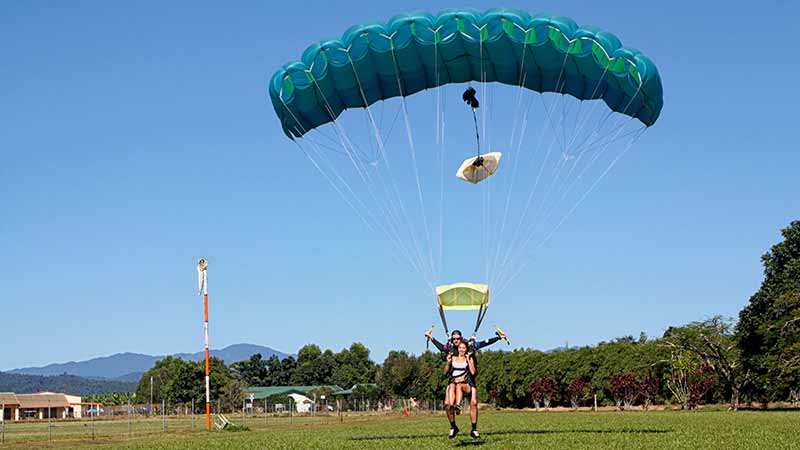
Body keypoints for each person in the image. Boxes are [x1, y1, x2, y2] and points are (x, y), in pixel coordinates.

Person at [425, 328, 507, 438]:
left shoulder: (469, 346)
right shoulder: (450, 348)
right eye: (454, 339)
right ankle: (453, 427)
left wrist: (498, 338)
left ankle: (474, 429)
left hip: (468, 379)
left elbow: (484, 343)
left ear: (461, 338)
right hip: (453, 380)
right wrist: (431, 338)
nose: (456, 341)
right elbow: (440, 347)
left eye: (458, 338)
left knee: (473, 403)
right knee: (447, 404)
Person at [443, 341, 476, 439]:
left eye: (464, 348)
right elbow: (445, 372)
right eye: (460, 348)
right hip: (453, 382)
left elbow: (473, 372)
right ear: (458, 349)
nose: (461, 350)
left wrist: (469, 359)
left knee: (458, 386)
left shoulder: (468, 359)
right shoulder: (453, 358)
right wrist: (448, 363)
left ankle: (457, 405)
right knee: (448, 402)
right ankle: (453, 409)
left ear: (466, 349)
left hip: (465, 384)